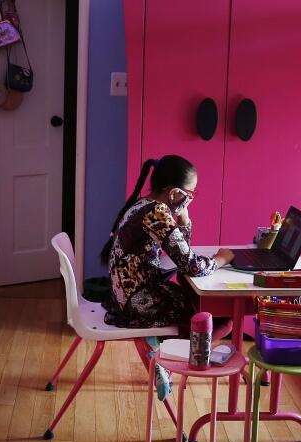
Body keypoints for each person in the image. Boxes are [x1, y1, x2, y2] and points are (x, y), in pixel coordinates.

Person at [100, 155, 234, 399]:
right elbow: (192, 265)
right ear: (173, 193)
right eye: (190, 194)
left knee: (196, 304)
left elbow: (181, 250)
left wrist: (184, 218)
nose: (191, 199)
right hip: (140, 301)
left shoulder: (144, 204)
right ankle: (162, 356)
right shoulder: (158, 213)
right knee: (224, 321)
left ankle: (155, 343)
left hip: (125, 295)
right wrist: (222, 259)